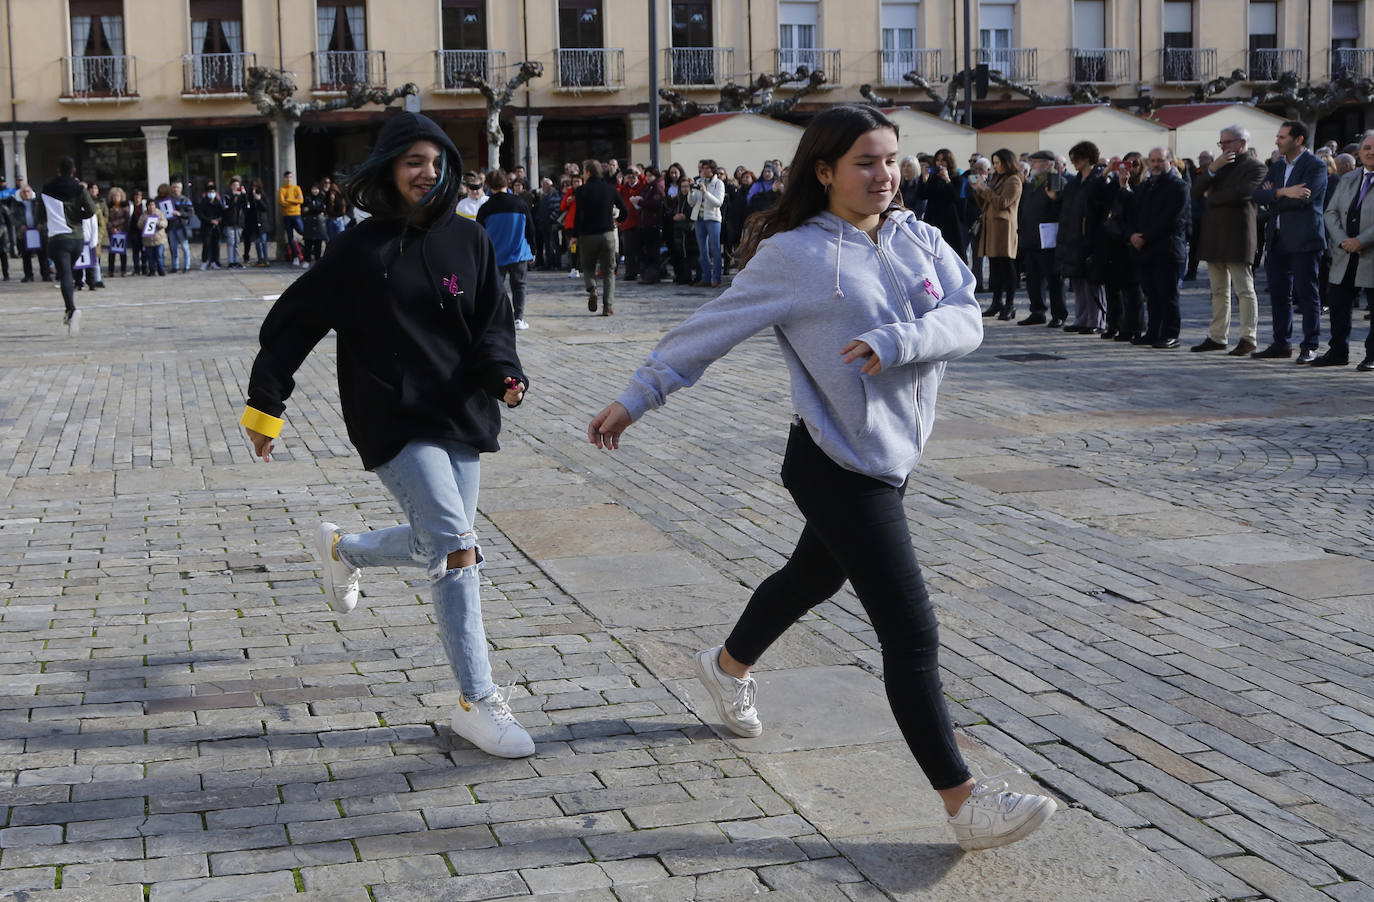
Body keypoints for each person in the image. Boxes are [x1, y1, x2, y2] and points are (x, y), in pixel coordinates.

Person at [586, 105, 1056, 852]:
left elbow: (969, 319)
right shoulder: (797, 255)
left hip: (890, 456)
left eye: (891, 159)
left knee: (812, 577)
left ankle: (725, 664)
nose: (884, 175)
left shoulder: (917, 236)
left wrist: (900, 339)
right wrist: (635, 398)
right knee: (910, 632)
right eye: (866, 162)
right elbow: (707, 330)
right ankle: (964, 803)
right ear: (825, 171)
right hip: (836, 463)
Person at [239, 111, 533, 759]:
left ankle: (345, 551)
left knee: (440, 537)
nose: (427, 174)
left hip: (462, 413)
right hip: (392, 417)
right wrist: (266, 406)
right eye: (413, 163)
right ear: (389, 170)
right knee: (458, 546)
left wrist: (505, 375)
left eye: (436, 163)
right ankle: (477, 702)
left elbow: (492, 325)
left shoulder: (470, 239)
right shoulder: (357, 249)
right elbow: (294, 323)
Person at [1252, 120, 1329, 362]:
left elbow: (1304, 200)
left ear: (1298, 140)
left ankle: (1310, 345)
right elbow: (1257, 194)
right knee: (1279, 294)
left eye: (1282, 137)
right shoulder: (1277, 166)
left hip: (1305, 238)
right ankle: (1281, 343)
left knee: (1307, 294)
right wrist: (1283, 192)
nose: (1277, 140)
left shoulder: (1315, 165)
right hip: (1277, 239)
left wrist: (1273, 197)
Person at [1190, 125, 1267, 356]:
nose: (1223, 147)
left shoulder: (1256, 167)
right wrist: (1212, 169)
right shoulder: (1218, 167)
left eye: (1227, 143)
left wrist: (1211, 197)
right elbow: (1196, 192)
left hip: (1238, 234)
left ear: (1242, 143)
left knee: (1244, 289)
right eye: (1221, 143)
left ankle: (1248, 337)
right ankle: (1217, 336)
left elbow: (1243, 194)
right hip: (1214, 234)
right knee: (1218, 290)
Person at [1318, 129, 1374, 370]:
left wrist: (1361, 241)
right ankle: (1337, 351)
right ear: (1359, 154)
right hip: (1345, 253)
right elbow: (1330, 213)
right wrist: (1343, 240)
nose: (1371, 152)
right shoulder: (1349, 178)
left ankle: (1372, 355)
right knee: (1338, 304)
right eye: (1366, 148)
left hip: (1369, 252)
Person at [1128, 147, 1191, 349]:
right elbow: (1133, 211)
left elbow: (1172, 219)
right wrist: (1132, 235)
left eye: (1160, 160)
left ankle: (1171, 334)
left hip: (1167, 249)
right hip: (1145, 250)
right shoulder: (1146, 186)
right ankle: (1153, 331)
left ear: (1170, 162)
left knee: (1168, 295)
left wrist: (1145, 237)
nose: (1155, 164)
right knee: (1151, 295)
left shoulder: (1178, 186)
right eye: (1152, 160)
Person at [1056, 142, 1108, 334]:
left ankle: (1097, 320)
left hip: (1091, 237)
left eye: (1076, 159)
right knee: (1078, 281)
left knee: (1093, 282)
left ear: (1087, 158)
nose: (1073, 163)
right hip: (1073, 236)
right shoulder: (1074, 182)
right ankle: (1082, 318)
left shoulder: (1099, 179)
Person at [40, 157, 97, 335]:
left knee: (64, 274)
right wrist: (77, 217)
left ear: (58, 170)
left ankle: (71, 310)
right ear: (73, 171)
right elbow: (91, 210)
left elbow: (39, 215)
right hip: (77, 238)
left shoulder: (47, 188)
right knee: (69, 273)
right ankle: (70, 310)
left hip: (58, 239)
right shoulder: (79, 188)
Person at [475, 168, 536, 330]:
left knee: (495, 287)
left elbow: (479, 234)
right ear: (506, 182)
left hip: (495, 254)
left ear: (488, 185)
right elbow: (530, 229)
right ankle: (518, 318)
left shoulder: (485, 208)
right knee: (519, 286)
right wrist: (533, 250)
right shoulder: (520, 204)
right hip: (519, 252)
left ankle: (496, 318)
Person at [971, 148, 1024, 321]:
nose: (995, 166)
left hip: (1004, 229)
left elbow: (1003, 202)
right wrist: (978, 190)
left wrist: (985, 189)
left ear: (1007, 162)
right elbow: (985, 203)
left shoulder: (1014, 180)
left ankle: (1009, 305)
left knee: (1006, 267)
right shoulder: (996, 178)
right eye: (993, 163)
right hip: (991, 227)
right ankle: (996, 302)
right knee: (994, 268)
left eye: (998, 163)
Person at [1016, 150, 1066, 327]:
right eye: (1032, 162)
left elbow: (1063, 208)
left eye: (1036, 162)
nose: (1033, 165)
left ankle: (1058, 313)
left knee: (1053, 279)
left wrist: (1056, 199)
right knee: (1033, 279)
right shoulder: (1030, 184)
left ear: (1048, 164)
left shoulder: (1056, 181)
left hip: (1048, 239)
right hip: (1031, 238)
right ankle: (1037, 311)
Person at [574, 159, 626, 315]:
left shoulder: (581, 191)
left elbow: (579, 216)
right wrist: (617, 221)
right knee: (609, 271)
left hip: (588, 235)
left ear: (588, 172)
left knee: (588, 267)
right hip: (607, 234)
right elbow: (625, 210)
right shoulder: (610, 189)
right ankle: (608, 306)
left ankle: (593, 289)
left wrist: (575, 235)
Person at [689, 158, 725, 288]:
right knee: (702, 250)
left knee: (715, 249)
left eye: (705, 168)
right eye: (702, 168)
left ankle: (716, 278)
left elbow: (718, 202)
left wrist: (706, 192)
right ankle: (706, 277)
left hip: (713, 219)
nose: (702, 171)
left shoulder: (718, 183)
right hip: (699, 218)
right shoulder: (699, 181)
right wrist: (691, 191)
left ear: (712, 169)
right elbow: (692, 202)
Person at [10, 184, 49, 282]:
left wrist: (41, 223)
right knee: (26, 256)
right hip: (24, 233)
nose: (26, 194)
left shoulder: (37, 202)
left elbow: (45, 214)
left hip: (38, 231)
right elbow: (12, 217)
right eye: (24, 192)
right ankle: (28, 275)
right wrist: (20, 225)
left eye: (28, 191)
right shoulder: (16, 204)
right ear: (21, 193)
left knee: (43, 255)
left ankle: (45, 275)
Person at [279, 171, 305, 267]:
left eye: (290, 177)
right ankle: (295, 257)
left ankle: (306, 252)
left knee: (303, 231)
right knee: (290, 237)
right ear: (284, 179)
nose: (288, 179)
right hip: (287, 216)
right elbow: (282, 202)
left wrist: (289, 200)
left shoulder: (297, 188)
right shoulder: (282, 190)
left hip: (296, 214)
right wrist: (295, 201)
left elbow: (301, 200)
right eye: (287, 177)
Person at [197, 182, 226, 270]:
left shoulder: (218, 203)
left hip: (216, 228)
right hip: (206, 227)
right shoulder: (203, 202)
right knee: (206, 245)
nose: (211, 194)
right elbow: (200, 215)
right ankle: (204, 262)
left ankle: (214, 262)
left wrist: (218, 220)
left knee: (215, 245)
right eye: (210, 192)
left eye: (213, 192)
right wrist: (210, 221)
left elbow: (223, 213)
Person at [138, 198, 168, 276]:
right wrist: (145, 223)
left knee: (159, 255)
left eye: (152, 205)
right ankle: (152, 270)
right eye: (149, 205)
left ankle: (161, 269)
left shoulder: (160, 213)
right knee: (150, 256)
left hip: (159, 238)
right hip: (148, 240)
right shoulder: (144, 215)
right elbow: (139, 224)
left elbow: (165, 223)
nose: (151, 207)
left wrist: (158, 223)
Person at [223, 177, 248, 268]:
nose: (235, 187)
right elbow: (226, 208)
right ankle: (231, 261)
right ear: (231, 186)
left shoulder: (241, 195)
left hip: (239, 222)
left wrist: (244, 195)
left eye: (237, 186)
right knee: (230, 242)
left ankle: (236, 260)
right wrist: (234, 196)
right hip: (229, 222)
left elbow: (246, 206)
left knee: (237, 242)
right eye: (234, 185)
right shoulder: (227, 195)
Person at [105, 186, 131, 276]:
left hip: (122, 231)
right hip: (112, 232)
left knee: (122, 252)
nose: (116, 198)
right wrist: (112, 229)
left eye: (118, 196)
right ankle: (110, 271)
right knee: (111, 252)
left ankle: (123, 270)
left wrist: (119, 228)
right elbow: (106, 219)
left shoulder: (125, 207)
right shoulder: (109, 207)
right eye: (114, 196)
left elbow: (126, 219)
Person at [301, 181, 328, 266]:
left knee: (318, 243)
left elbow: (322, 209)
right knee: (308, 243)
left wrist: (310, 209)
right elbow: (304, 209)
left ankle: (317, 260)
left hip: (319, 224)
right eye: (313, 189)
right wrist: (315, 209)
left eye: (316, 189)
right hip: (309, 223)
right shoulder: (307, 197)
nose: (314, 191)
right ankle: (307, 260)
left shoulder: (321, 197)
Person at [245, 179, 270, 265]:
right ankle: (260, 259)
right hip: (253, 221)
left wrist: (259, 200)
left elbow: (266, 208)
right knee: (257, 242)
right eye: (253, 186)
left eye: (256, 186)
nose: (254, 188)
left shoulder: (263, 195)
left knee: (263, 241)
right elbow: (248, 209)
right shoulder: (249, 196)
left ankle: (266, 259)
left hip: (262, 221)